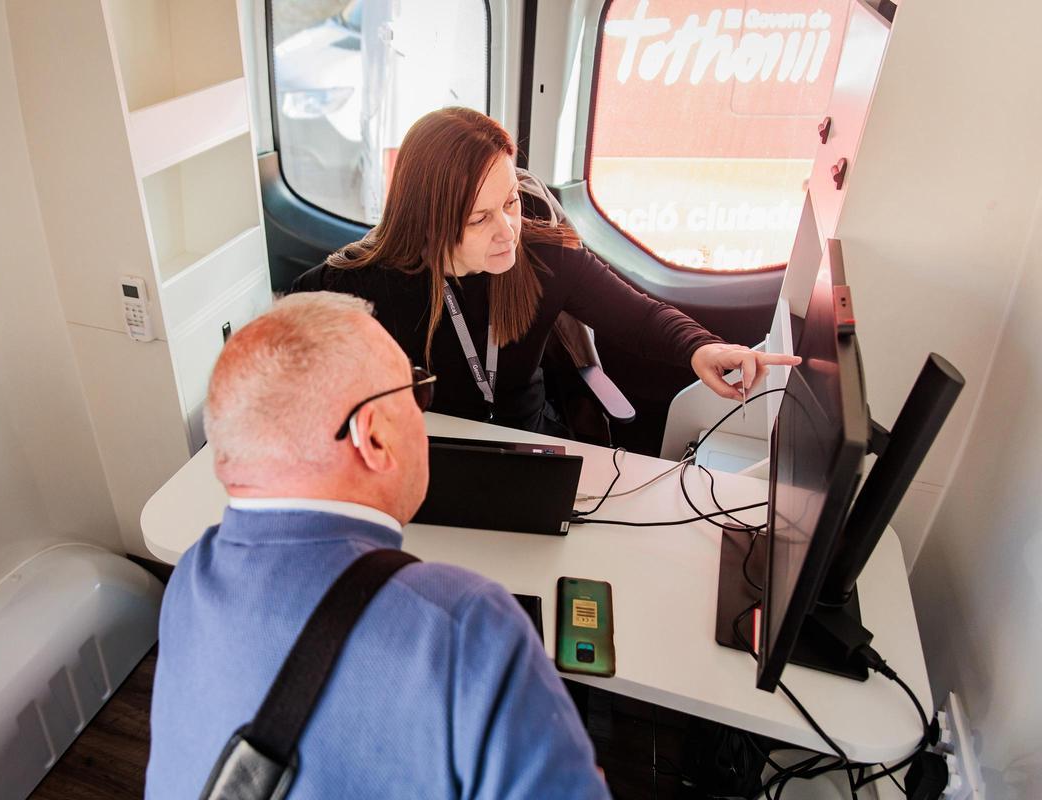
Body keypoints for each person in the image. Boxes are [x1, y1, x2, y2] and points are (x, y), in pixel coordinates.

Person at [145, 292, 611, 799]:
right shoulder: (468, 627)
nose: (423, 409)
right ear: (373, 437)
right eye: (416, 392)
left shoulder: (190, 575)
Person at [293, 107, 799, 435]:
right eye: (479, 218)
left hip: (531, 442)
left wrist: (701, 347)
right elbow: (288, 337)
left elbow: (638, 318)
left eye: (510, 202)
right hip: (426, 456)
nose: (507, 230)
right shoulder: (359, 282)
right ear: (430, 221)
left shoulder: (545, 257)